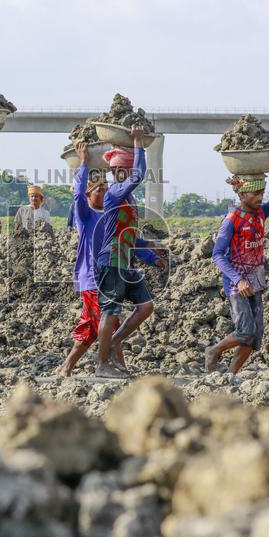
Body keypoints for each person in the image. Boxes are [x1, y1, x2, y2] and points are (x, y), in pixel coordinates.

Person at [206, 149, 269, 373]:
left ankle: (231, 376)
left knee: (254, 338)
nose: (260, 197)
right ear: (242, 194)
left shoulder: (261, 214)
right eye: (256, 194)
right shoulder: (231, 220)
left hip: (256, 281)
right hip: (237, 285)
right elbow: (217, 254)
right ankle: (214, 351)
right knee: (244, 330)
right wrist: (238, 279)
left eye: (262, 192)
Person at [93, 127, 165, 379]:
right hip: (111, 260)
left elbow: (131, 237)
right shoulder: (114, 192)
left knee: (146, 307)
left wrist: (151, 255)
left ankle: (115, 341)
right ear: (115, 172)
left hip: (125, 260)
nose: (128, 174)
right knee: (110, 311)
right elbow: (139, 176)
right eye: (124, 170)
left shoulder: (130, 199)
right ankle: (102, 364)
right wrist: (139, 145)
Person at [56, 143, 111, 377]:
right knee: (96, 324)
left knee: (107, 323)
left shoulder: (109, 216)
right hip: (90, 278)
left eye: (106, 189)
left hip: (108, 278)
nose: (105, 193)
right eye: (100, 190)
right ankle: (70, 366)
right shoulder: (85, 215)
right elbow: (77, 194)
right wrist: (84, 164)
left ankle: (71, 367)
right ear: (89, 193)